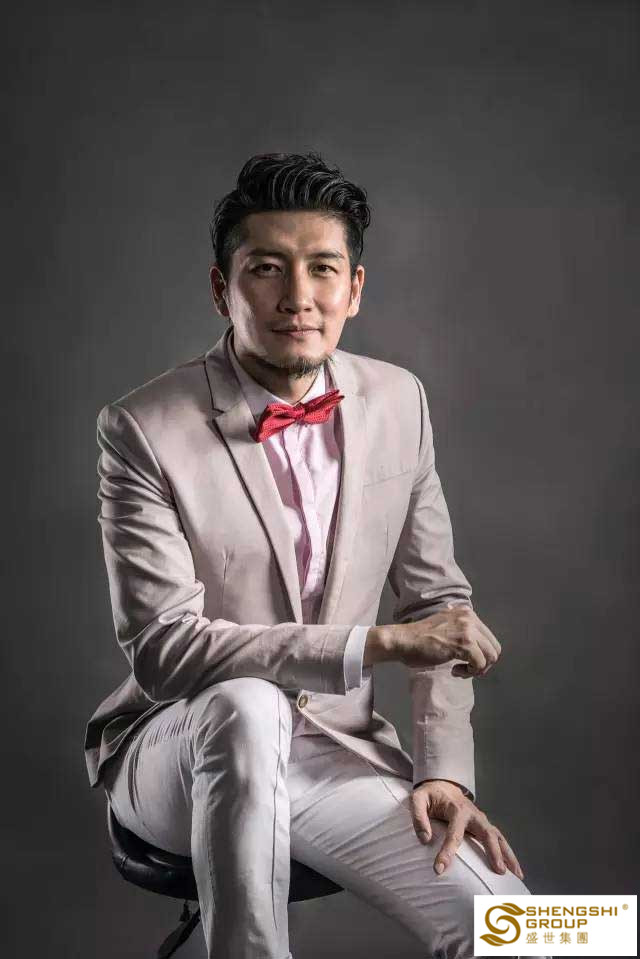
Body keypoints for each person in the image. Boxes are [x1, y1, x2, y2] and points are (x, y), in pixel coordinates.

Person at [85, 152, 550, 959]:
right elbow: (166, 651)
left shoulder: (400, 400)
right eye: (266, 269)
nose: (297, 296)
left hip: (332, 750)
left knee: (538, 933)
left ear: (354, 289)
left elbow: (438, 605)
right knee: (245, 704)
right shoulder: (141, 428)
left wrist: (444, 771)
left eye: (322, 269)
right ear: (222, 288)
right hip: (175, 750)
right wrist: (378, 644)